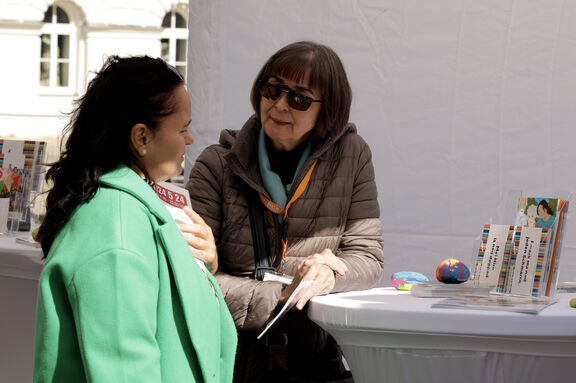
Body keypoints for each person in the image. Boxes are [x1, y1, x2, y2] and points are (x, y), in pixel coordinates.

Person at [185, 41, 384, 382]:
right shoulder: (216, 164)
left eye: (299, 98)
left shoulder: (352, 154)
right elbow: (195, 279)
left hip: (315, 360)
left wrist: (330, 273)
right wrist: (279, 295)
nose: (279, 105)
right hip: (232, 362)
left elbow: (368, 258)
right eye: (272, 89)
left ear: (328, 108)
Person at [33, 55, 237, 382]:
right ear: (141, 137)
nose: (190, 139)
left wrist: (202, 267)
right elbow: (124, 370)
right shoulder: (117, 228)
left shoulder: (131, 206)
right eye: (182, 128)